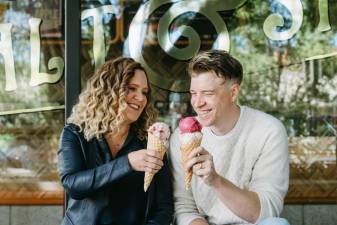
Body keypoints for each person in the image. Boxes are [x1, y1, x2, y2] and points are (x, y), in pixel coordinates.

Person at [169, 50, 290, 225]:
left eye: (208, 93)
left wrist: (215, 181)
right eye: (194, 93)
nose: (197, 103)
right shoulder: (181, 136)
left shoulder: (269, 131)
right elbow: (184, 208)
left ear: (233, 93)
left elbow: (266, 211)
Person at [58, 57, 173, 225]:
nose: (140, 98)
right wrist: (127, 163)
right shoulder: (75, 133)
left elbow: (164, 207)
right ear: (108, 91)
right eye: (132, 88)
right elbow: (73, 185)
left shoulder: (151, 140)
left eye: (144, 92)